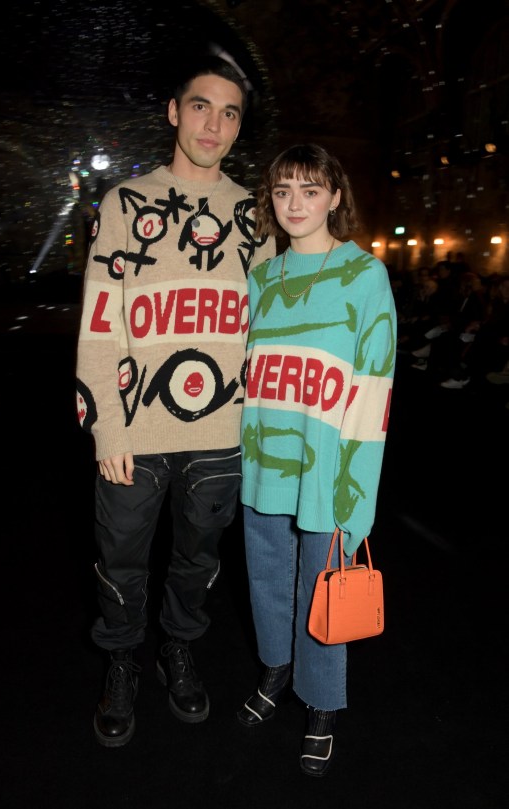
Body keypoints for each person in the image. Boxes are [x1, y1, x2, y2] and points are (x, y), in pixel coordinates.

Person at [75, 53, 275, 747]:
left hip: (223, 428)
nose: (213, 124)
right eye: (201, 106)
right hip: (135, 426)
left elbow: (280, 322)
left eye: (229, 113)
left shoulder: (255, 213)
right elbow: (100, 323)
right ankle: (123, 660)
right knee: (123, 557)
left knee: (198, 558)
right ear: (173, 111)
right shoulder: (126, 204)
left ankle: (178, 648)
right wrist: (105, 426)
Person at [236, 144, 396, 777]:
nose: (295, 203)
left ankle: (322, 703)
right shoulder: (262, 277)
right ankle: (277, 668)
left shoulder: (365, 274)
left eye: (309, 189)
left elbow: (375, 383)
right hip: (263, 461)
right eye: (282, 191)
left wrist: (357, 489)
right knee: (267, 578)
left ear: (335, 196)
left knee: (323, 589)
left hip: (327, 466)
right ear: (270, 203)